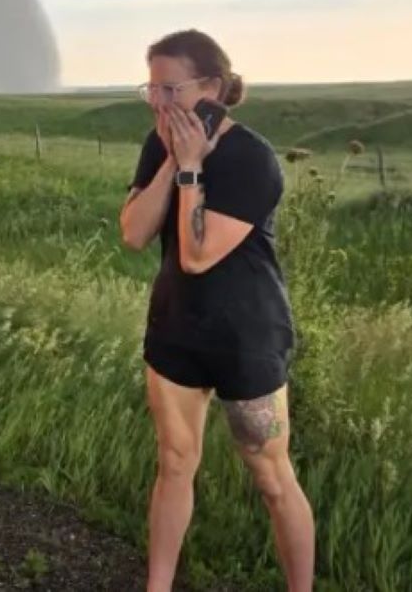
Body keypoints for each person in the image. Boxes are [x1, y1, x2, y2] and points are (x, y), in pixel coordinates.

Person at [119, 30, 314, 592]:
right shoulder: (160, 144)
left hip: (246, 338)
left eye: (169, 88)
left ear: (214, 87)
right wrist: (171, 160)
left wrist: (191, 169)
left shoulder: (253, 160)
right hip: (177, 331)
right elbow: (133, 233)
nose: (158, 102)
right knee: (174, 463)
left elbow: (199, 252)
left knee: (272, 476)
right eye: (149, 89)